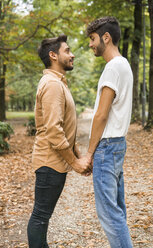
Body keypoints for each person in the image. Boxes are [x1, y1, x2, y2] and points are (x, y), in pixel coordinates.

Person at [27, 34, 92, 248]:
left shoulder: (58, 82)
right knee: (40, 216)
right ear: (53, 55)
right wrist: (75, 163)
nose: (72, 55)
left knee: (42, 216)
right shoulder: (53, 84)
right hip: (49, 163)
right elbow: (54, 130)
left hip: (54, 163)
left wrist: (79, 156)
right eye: (67, 51)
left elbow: (65, 126)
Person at [85, 17, 133, 248]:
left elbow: (101, 115)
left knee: (109, 215)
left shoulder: (112, 67)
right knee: (117, 208)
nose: (90, 44)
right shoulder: (124, 65)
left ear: (106, 37)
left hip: (107, 147)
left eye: (93, 39)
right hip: (118, 144)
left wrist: (90, 153)